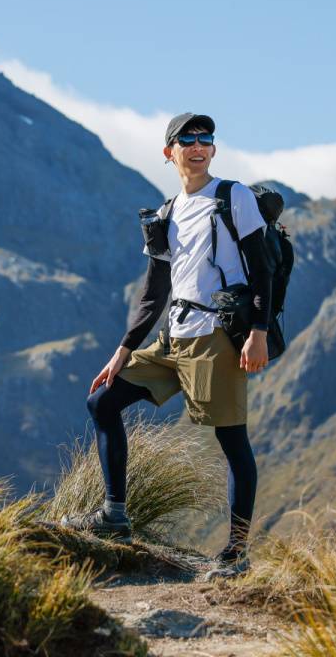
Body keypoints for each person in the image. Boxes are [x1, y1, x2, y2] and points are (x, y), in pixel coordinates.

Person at [62, 112, 270, 577]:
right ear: (168, 151)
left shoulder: (232, 197)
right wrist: (123, 350)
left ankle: (236, 554)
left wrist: (257, 333)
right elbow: (154, 291)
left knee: (232, 439)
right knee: (102, 401)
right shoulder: (165, 213)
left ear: (213, 150)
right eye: (187, 139)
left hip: (218, 336)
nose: (198, 145)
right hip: (172, 337)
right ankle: (115, 516)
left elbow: (262, 270)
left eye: (206, 138)